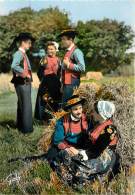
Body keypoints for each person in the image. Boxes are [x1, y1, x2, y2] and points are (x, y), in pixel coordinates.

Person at [46, 94, 88, 164]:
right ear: (70, 110)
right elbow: (57, 141)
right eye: (75, 109)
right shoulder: (62, 121)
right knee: (51, 155)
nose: (79, 112)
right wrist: (67, 149)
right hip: (66, 145)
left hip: (81, 145)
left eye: (80, 108)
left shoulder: (85, 119)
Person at [11, 32, 35, 133]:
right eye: (29, 43)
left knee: (22, 104)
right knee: (26, 105)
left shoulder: (23, 54)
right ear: (23, 43)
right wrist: (26, 74)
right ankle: (27, 130)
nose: (30, 45)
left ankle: (21, 126)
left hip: (24, 82)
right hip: (22, 82)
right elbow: (14, 66)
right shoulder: (18, 53)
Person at [34, 41, 61, 121]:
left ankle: (54, 119)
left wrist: (57, 81)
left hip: (55, 83)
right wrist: (44, 81)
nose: (50, 51)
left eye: (52, 49)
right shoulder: (44, 59)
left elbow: (59, 72)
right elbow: (39, 73)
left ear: (56, 50)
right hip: (46, 83)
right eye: (49, 49)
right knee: (44, 101)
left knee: (54, 102)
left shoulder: (58, 60)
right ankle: (43, 120)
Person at [58, 29, 85, 103]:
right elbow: (64, 69)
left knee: (68, 106)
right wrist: (62, 85)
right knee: (65, 105)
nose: (62, 41)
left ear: (70, 39)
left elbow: (82, 68)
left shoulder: (77, 51)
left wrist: (69, 64)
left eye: (64, 39)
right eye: (62, 39)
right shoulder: (67, 51)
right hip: (66, 83)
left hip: (72, 83)